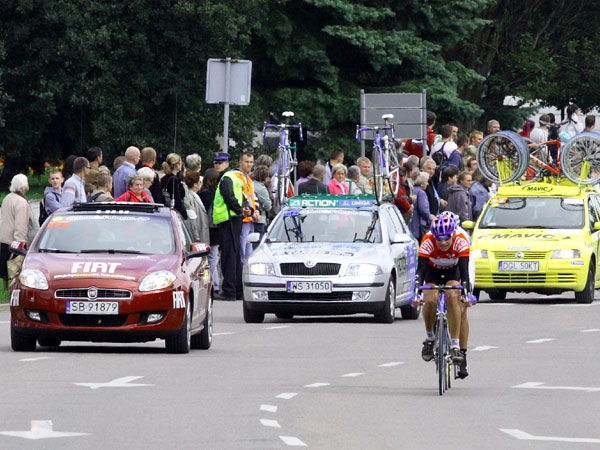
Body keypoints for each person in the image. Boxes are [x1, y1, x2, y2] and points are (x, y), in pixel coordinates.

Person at [416, 214, 472, 368]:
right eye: (439, 238)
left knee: (453, 296)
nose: (443, 242)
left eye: (447, 237)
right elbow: (420, 271)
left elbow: (465, 271)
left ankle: (455, 346)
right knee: (431, 299)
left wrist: (467, 294)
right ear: (433, 236)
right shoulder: (427, 241)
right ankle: (429, 338)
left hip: (454, 271)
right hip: (432, 271)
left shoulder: (462, 240)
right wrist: (417, 294)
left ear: (453, 233)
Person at [213, 155, 253, 301]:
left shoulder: (226, 178)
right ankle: (237, 290)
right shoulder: (235, 178)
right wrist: (247, 209)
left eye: (220, 163)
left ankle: (229, 291)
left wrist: (239, 209)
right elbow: (243, 197)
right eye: (216, 163)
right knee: (235, 256)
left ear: (228, 163)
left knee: (228, 256)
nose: (217, 166)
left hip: (228, 219)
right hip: (235, 219)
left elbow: (230, 197)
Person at [0, 174, 36, 289]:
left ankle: (5, 289)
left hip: (4, 238)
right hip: (14, 241)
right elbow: (21, 225)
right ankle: (15, 289)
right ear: (25, 187)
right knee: (15, 268)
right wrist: (20, 243)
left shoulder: (7, 198)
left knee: (4, 269)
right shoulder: (21, 202)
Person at [233, 151, 258, 264]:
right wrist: (252, 212)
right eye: (246, 162)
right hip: (242, 219)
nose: (249, 165)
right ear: (240, 162)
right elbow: (241, 198)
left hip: (250, 219)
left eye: (251, 162)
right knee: (242, 251)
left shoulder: (248, 178)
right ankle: (241, 275)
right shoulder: (236, 177)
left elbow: (253, 197)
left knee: (249, 251)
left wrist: (257, 211)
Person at [200, 168, 222, 293]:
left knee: (210, 257)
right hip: (214, 229)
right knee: (213, 257)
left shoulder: (201, 193)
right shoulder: (213, 195)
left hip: (205, 228)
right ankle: (213, 283)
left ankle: (215, 282)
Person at [183, 171, 209, 245]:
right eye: (199, 182)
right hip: (198, 233)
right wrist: (196, 235)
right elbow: (192, 218)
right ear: (195, 184)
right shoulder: (190, 197)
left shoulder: (195, 195)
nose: (200, 184)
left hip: (201, 231)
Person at [160, 153, 188, 219]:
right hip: (174, 212)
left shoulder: (165, 178)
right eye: (181, 162)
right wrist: (184, 214)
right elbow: (177, 198)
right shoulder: (174, 180)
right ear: (177, 164)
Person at [251, 165, 272, 247]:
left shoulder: (251, 184)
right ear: (265, 177)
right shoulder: (262, 189)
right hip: (260, 219)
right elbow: (268, 206)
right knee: (257, 243)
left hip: (250, 218)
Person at [408, 172, 432, 240]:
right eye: (426, 182)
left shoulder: (413, 190)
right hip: (418, 225)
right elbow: (423, 209)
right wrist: (429, 217)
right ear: (421, 183)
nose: (427, 184)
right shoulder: (421, 193)